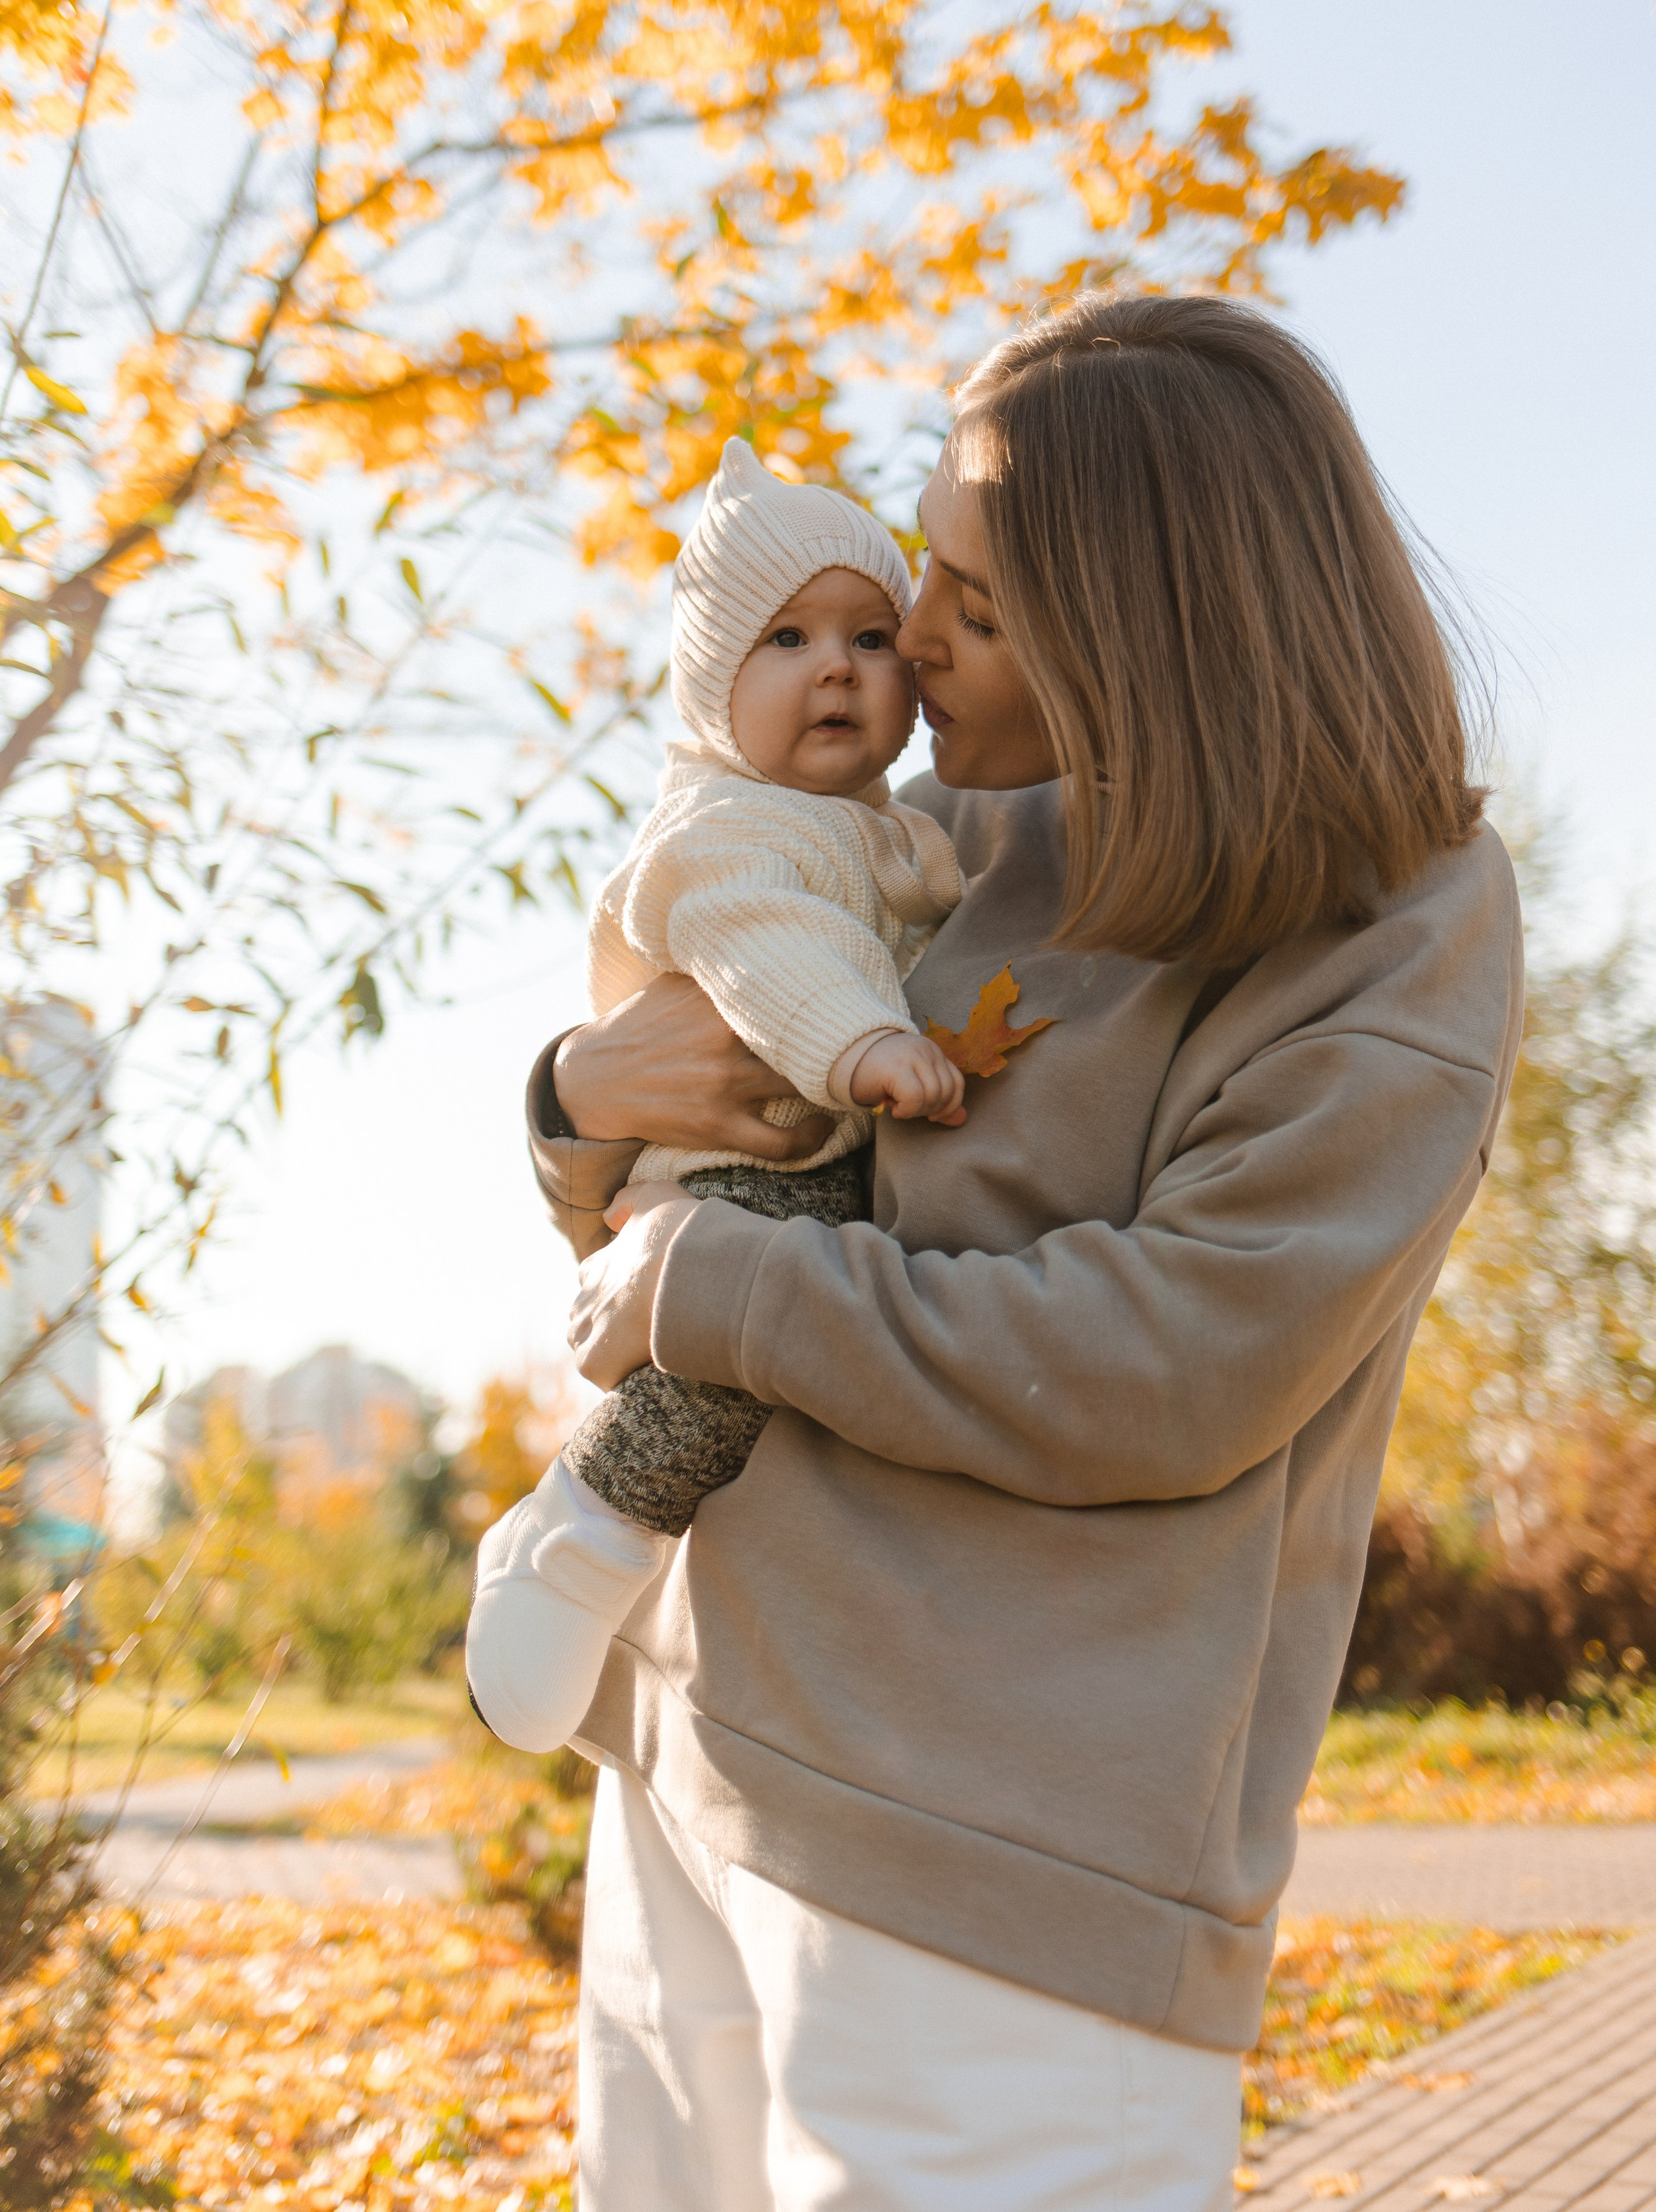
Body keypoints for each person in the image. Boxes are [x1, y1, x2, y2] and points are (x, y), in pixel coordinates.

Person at [535, 295, 1524, 2212]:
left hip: (995, 1861)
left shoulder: (1386, 921)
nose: (906, 639)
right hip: (696, 1748)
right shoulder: (912, 841)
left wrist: (721, 1286)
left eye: (976, 608)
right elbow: (673, 1203)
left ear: (1155, 637)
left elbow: (1176, 1363)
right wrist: (571, 1101)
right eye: (927, 570)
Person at [468, 440, 965, 1756]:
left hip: (809, 1158)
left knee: (777, 1345)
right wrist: (867, 1044)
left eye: (870, 637)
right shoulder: (727, 830)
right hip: (729, 1172)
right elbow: (765, 951)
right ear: (708, 686)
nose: (837, 668)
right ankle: (585, 1531)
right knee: (729, 1349)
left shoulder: (885, 825)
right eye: (787, 638)